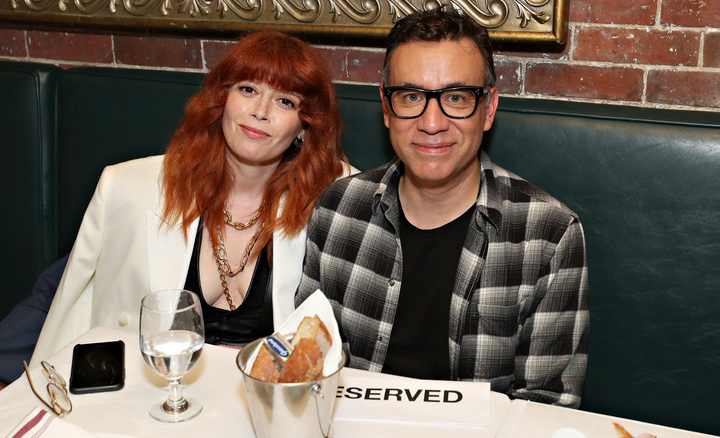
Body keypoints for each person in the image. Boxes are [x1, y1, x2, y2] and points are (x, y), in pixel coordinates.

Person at [295, 8, 589, 408]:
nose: (432, 122)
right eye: (411, 96)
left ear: (488, 109)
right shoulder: (337, 208)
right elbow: (308, 364)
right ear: (386, 107)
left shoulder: (549, 234)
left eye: (456, 97)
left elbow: (545, 405)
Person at [31, 31, 353, 365]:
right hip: (153, 390)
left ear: (304, 125)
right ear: (223, 98)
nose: (260, 111)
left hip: (269, 400)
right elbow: (70, 308)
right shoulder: (126, 187)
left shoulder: (336, 200)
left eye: (285, 101)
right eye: (248, 89)